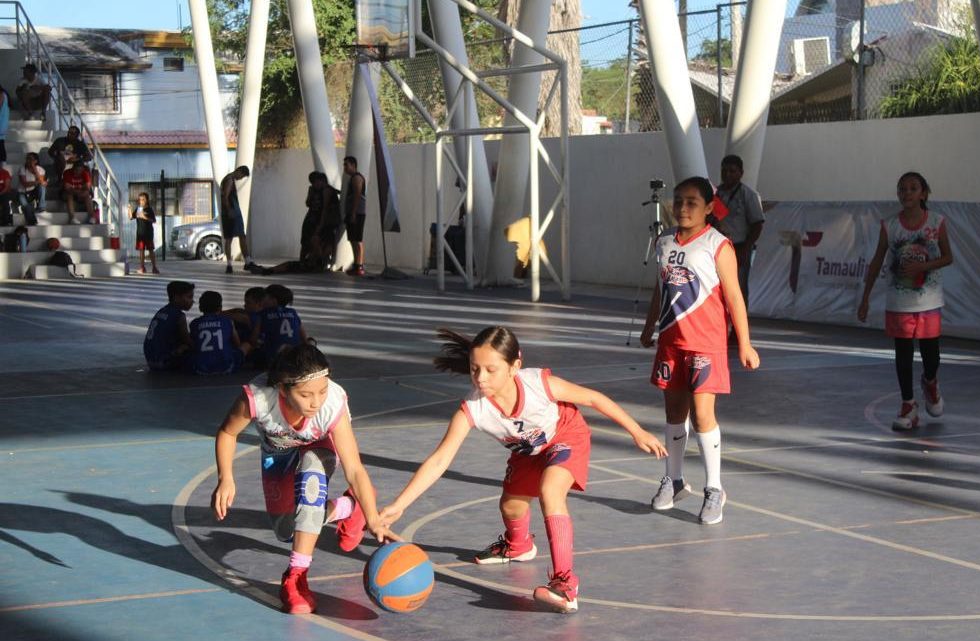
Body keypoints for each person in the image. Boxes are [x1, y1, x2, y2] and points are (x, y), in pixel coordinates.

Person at [378, 326, 667, 614]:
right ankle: (518, 545)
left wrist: (637, 431)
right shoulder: (473, 408)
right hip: (528, 453)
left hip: (566, 437)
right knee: (511, 508)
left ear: (515, 365)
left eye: (491, 370)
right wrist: (400, 505)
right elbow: (440, 460)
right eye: (474, 369)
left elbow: (593, 398)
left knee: (550, 490)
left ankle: (565, 584)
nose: (480, 378)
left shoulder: (538, 384)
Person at [211, 344, 394, 614]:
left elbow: (354, 468)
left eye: (322, 390)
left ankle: (296, 577)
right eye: (306, 394)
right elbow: (227, 433)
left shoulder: (332, 404)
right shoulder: (260, 398)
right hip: (278, 455)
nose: (316, 401)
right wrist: (226, 477)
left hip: (320, 448)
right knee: (287, 531)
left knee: (311, 482)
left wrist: (375, 519)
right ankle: (348, 507)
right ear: (283, 389)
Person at [640, 177, 760, 525]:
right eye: (678, 200)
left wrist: (745, 343)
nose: (682, 207)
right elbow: (660, 291)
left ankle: (714, 489)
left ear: (709, 207)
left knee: (704, 415)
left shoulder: (717, 244)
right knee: (674, 413)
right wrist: (650, 327)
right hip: (671, 343)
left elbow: (734, 296)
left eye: (692, 201)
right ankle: (673, 479)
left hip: (706, 343)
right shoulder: (663, 242)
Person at [857, 172, 953, 431]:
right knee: (903, 353)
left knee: (931, 355)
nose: (906, 193)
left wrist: (924, 266)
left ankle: (930, 382)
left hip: (929, 300)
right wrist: (865, 297)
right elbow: (877, 260)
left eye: (912, 188)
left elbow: (948, 257)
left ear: (923, 193)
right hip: (899, 300)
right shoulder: (890, 226)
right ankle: (908, 405)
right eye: (902, 189)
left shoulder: (936, 222)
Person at [715, 155, 764, 306]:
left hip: (739, 247)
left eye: (732, 171)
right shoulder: (715, 194)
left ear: (740, 173)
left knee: (738, 290)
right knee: (716, 289)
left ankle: (737, 329)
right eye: (724, 170)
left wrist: (746, 248)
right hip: (715, 248)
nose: (727, 174)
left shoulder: (749, 195)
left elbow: (757, 224)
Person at [188, 291, 249, 375]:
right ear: (220, 307)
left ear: (200, 307)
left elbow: (194, 344)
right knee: (246, 345)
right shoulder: (228, 321)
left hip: (200, 369)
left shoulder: (195, 323)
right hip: (226, 367)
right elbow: (237, 343)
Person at [252, 284, 313, 363]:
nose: (262, 300)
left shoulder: (263, 314)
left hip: (273, 357)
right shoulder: (292, 312)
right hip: (295, 355)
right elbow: (302, 334)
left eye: (264, 298)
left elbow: (253, 339)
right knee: (310, 340)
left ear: (273, 300)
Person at [144, 280, 194, 371]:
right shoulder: (179, 316)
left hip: (151, 360)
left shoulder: (162, 311)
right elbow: (187, 341)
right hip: (164, 363)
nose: (192, 301)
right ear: (177, 297)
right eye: (189, 297)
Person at [219, 165, 255, 274]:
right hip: (232, 213)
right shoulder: (229, 179)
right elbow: (226, 196)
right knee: (241, 236)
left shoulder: (226, 179)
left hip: (228, 213)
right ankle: (247, 262)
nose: (240, 178)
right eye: (242, 176)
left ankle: (230, 265)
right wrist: (230, 210)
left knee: (229, 238)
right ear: (239, 171)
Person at [341, 156, 367, 276]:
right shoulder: (352, 178)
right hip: (353, 213)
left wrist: (353, 213)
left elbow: (357, 195)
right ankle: (356, 264)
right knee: (352, 239)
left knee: (357, 240)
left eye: (346, 165)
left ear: (353, 165)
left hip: (357, 213)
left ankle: (360, 266)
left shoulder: (357, 178)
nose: (345, 167)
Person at [131, 192, 158, 274]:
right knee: (141, 250)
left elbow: (153, 220)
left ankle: (154, 267)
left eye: (143, 200)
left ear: (146, 201)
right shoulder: (138, 209)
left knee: (150, 250)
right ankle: (142, 267)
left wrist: (144, 217)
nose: (140, 201)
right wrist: (129, 209)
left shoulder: (149, 210)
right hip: (140, 233)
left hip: (148, 233)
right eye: (139, 200)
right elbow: (131, 217)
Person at [17, 152, 46, 225]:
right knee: (25, 206)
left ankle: (41, 206)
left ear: (36, 161)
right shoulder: (22, 169)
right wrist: (36, 182)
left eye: (31, 159)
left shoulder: (40, 169)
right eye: (27, 159)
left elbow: (42, 183)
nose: (28, 161)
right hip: (23, 192)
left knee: (42, 187)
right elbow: (25, 184)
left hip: (34, 192)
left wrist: (34, 170)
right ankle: (32, 222)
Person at [62, 160, 92, 224]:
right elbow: (67, 188)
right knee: (69, 195)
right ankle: (72, 218)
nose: (78, 172)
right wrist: (80, 189)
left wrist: (80, 190)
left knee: (87, 195)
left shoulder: (85, 174)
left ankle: (92, 217)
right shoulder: (67, 173)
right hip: (68, 193)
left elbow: (87, 187)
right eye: (76, 170)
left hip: (80, 193)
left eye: (80, 170)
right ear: (73, 168)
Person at [0, 162, 17, 227]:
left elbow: (7, 187)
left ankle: (5, 221)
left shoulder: (5, 173)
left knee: (5, 203)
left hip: (4, 192)